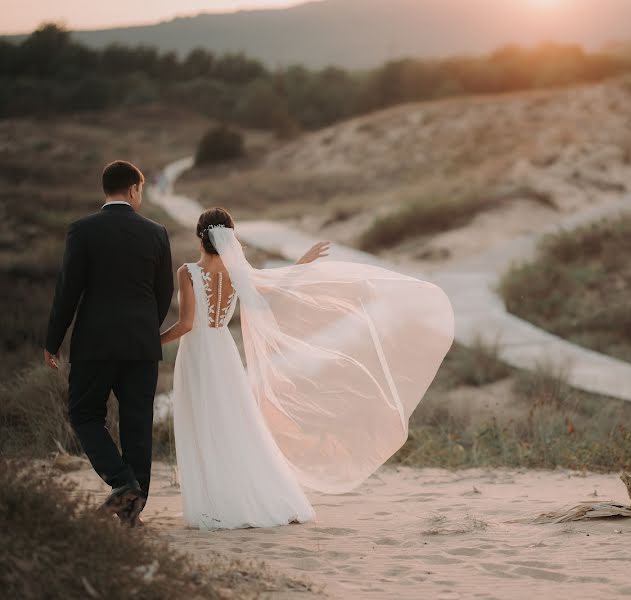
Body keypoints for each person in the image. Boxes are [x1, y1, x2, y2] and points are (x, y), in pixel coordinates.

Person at [161, 207, 454, 530]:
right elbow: (275, 290)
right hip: (225, 355)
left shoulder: (187, 272)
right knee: (235, 424)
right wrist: (303, 263)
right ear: (231, 237)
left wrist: (153, 341)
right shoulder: (238, 274)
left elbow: (186, 324)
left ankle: (214, 502)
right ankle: (251, 498)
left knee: (203, 424)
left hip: (199, 354)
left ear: (199, 237)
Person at [45, 160, 173, 527]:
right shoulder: (156, 233)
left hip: (94, 345)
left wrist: (53, 341)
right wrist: (146, 329)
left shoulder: (82, 231)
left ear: (107, 189)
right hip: (140, 346)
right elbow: (162, 294)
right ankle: (134, 506)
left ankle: (122, 483)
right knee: (137, 424)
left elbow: (67, 292)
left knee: (84, 414)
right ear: (134, 189)